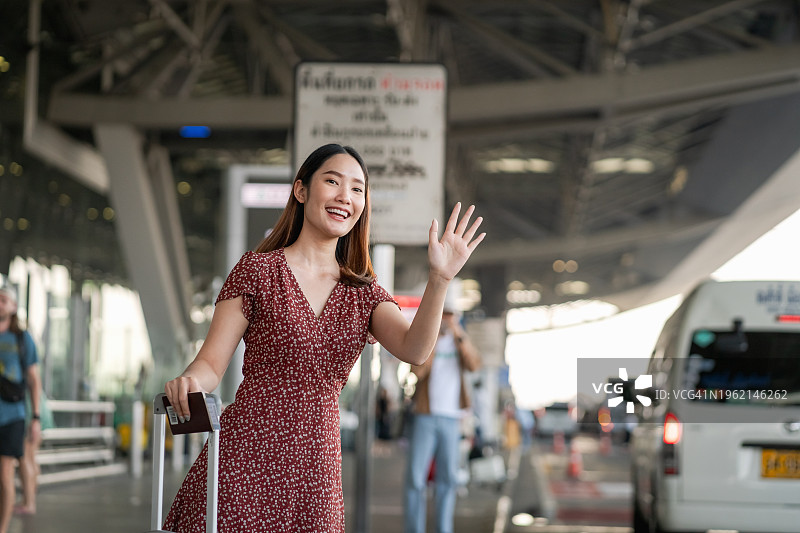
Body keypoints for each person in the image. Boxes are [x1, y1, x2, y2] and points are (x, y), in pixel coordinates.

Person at [162, 143, 485, 533]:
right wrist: (190, 383)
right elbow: (211, 364)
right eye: (332, 181)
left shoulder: (363, 292)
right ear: (301, 191)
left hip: (315, 474)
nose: (344, 197)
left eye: (357, 189)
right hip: (244, 458)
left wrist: (440, 280)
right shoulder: (257, 271)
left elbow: (415, 350)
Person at [403, 294, 481, 533]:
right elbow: (417, 370)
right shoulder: (428, 343)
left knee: (448, 479)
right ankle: (414, 529)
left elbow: (474, 364)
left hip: (451, 418)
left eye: (451, 315)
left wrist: (457, 332)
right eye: (444, 314)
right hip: (425, 415)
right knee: (416, 478)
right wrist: (434, 337)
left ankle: (443, 529)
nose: (446, 319)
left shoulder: (460, 343)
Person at [0, 284, 40, 533]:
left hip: (13, 416)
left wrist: (36, 417)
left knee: (5, 473)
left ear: (13, 307)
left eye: (4, 300)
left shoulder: (22, 339)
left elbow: (34, 380)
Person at [15, 389, 53, 515]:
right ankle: (29, 499)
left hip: (30, 413)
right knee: (31, 457)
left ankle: (29, 503)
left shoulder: (27, 373)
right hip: (37, 412)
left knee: (25, 458)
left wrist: (34, 418)